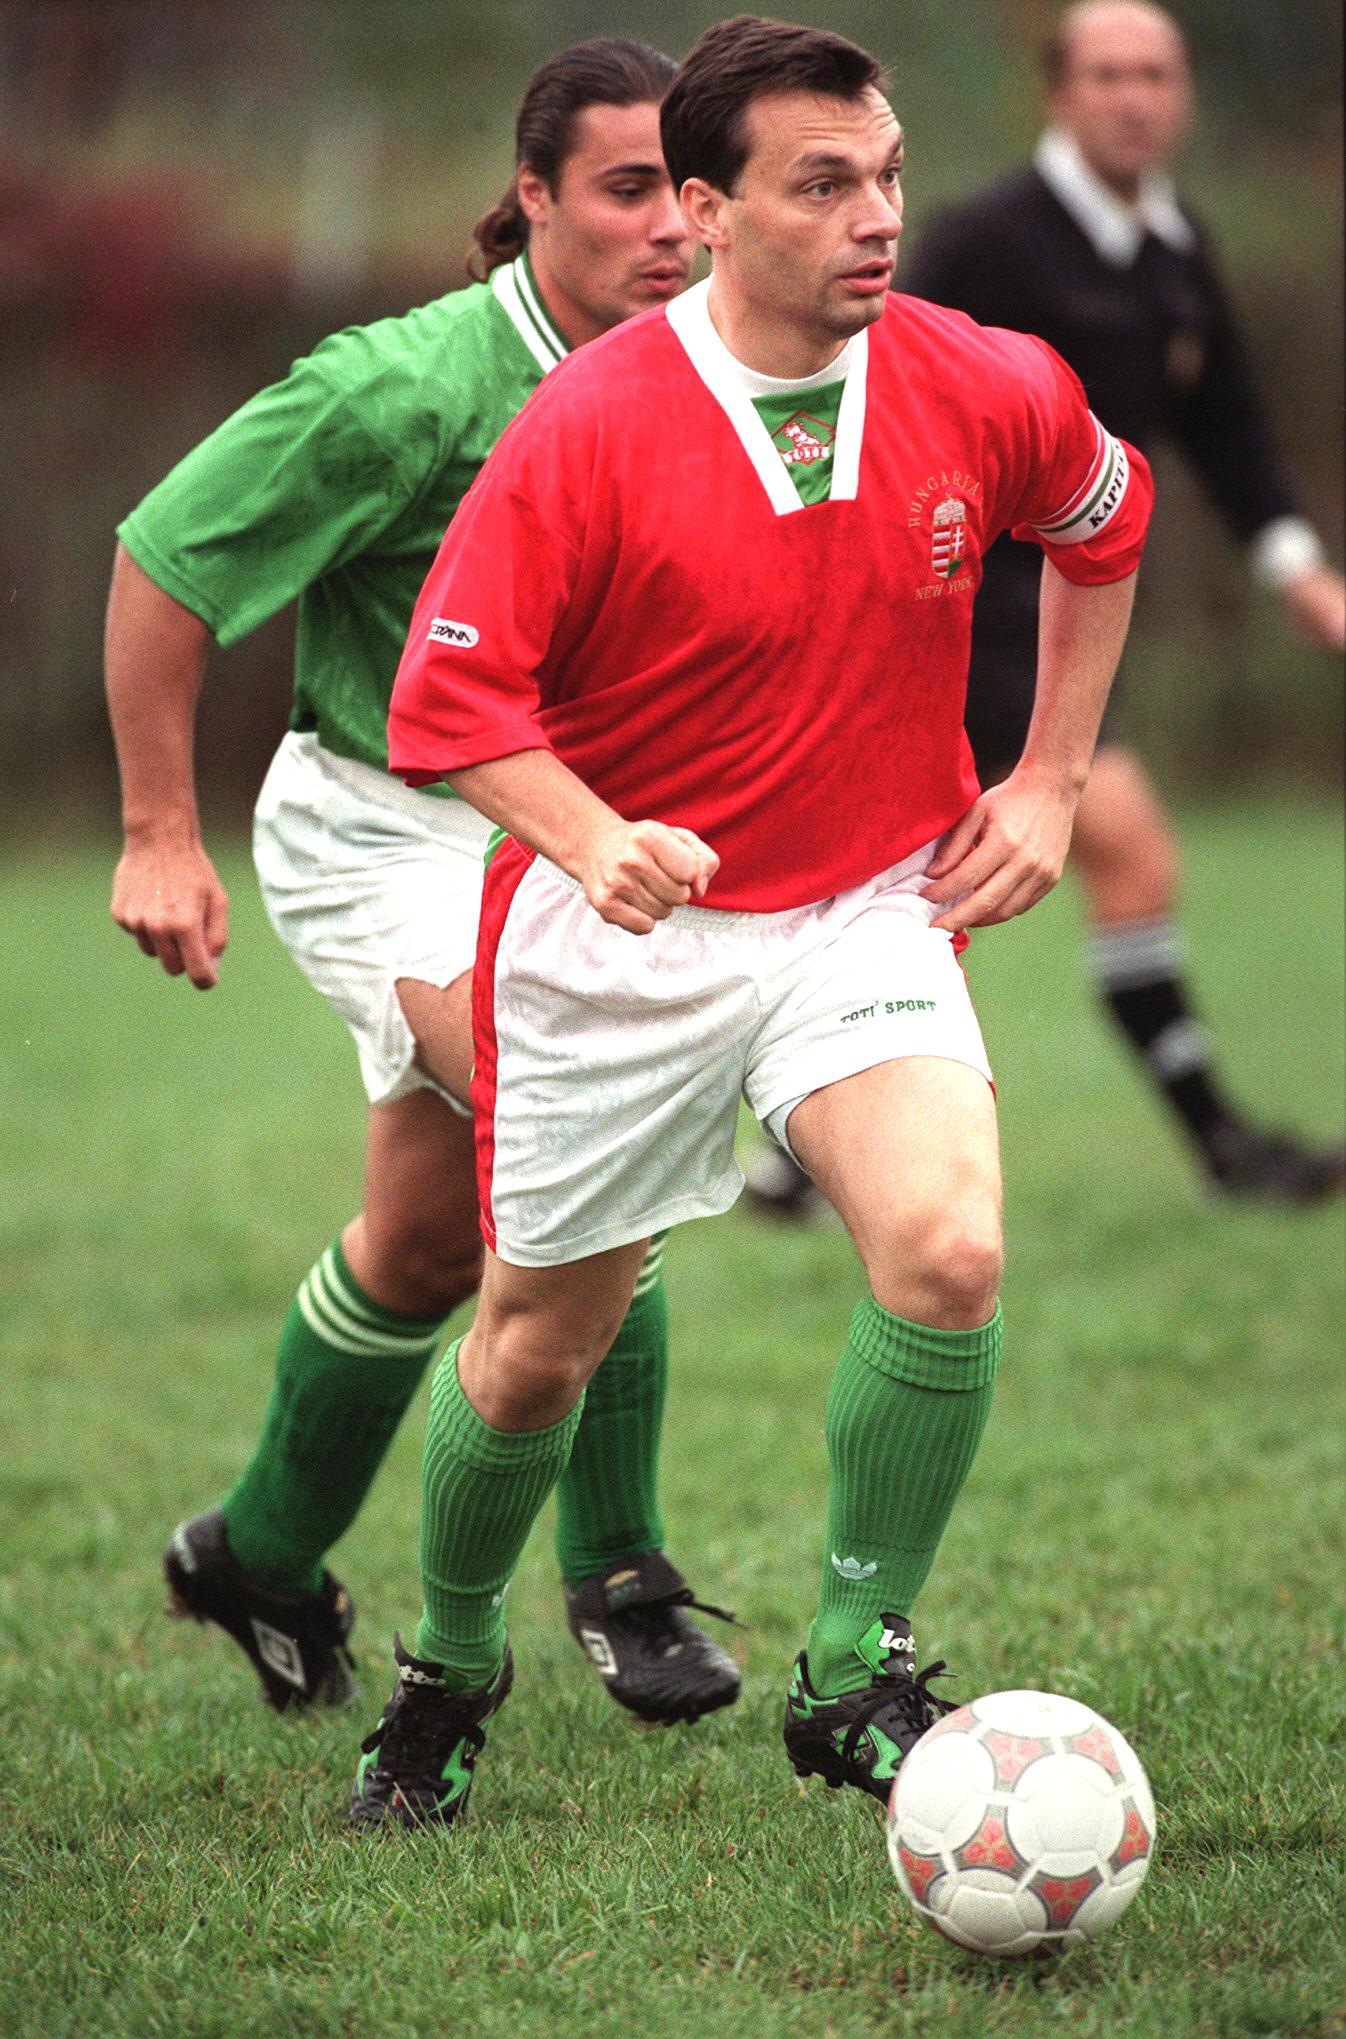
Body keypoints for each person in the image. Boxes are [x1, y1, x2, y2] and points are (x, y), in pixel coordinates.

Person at [348, 15, 1153, 1831]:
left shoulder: (978, 374)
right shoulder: (592, 424)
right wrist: (590, 832)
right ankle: (447, 1660)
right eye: (822, 185)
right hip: (609, 942)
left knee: (947, 1250)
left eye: (886, 177)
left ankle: (851, 1659)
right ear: (706, 212)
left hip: (866, 902)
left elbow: (1107, 517)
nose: (875, 217)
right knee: (536, 1344)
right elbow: (447, 702)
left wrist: (1043, 780)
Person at [105, 38, 741, 1729]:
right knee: (578, 1106)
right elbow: (165, 561)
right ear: (532, 196)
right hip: (383, 826)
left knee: (427, 1234)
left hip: (567, 821)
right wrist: (159, 829)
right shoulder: (401, 387)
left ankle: (254, 1547)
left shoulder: (725, 376)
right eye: (621, 191)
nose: (667, 232)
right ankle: (623, 1568)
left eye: (686, 193)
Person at [747, 0, 1343, 1222]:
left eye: (1156, 74)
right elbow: (854, 367)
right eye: (1109, 73)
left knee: (926, 869)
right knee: (1111, 847)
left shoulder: (1174, 249)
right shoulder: (981, 239)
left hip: (1076, 600)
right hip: (954, 592)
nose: (1135, 96)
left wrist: (1297, 570)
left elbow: (1226, 426)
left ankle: (794, 1158)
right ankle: (1220, 1142)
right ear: (1058, 95)